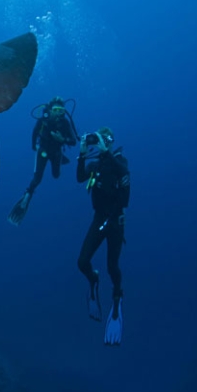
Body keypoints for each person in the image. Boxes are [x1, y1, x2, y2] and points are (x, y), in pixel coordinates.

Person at [76, 127, 130, 346]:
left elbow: (124, 174)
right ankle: (93, 280)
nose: (100, 144)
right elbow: (80, 177)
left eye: (104, 140)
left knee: (112, 266)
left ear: (110, 142)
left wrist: (107, 153)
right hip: (99, 219)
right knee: (82, 262)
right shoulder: (96, 165)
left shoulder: (120, 161)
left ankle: (117, 296)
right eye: (98, 140)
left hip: (115, 222)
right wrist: (82, 154)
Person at [8, 96, 78, 225]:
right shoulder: (43, 120)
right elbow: (35, 132)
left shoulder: (65, 123)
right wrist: (33, 145)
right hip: (43, 151)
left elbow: (74, 141)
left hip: (56, 152)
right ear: (50, 110)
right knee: (37, 179)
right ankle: (28, 194)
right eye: (55, 109)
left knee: (56, 175)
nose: (58, 113)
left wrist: (62, 139)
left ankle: (60, 159)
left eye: (61, 110)